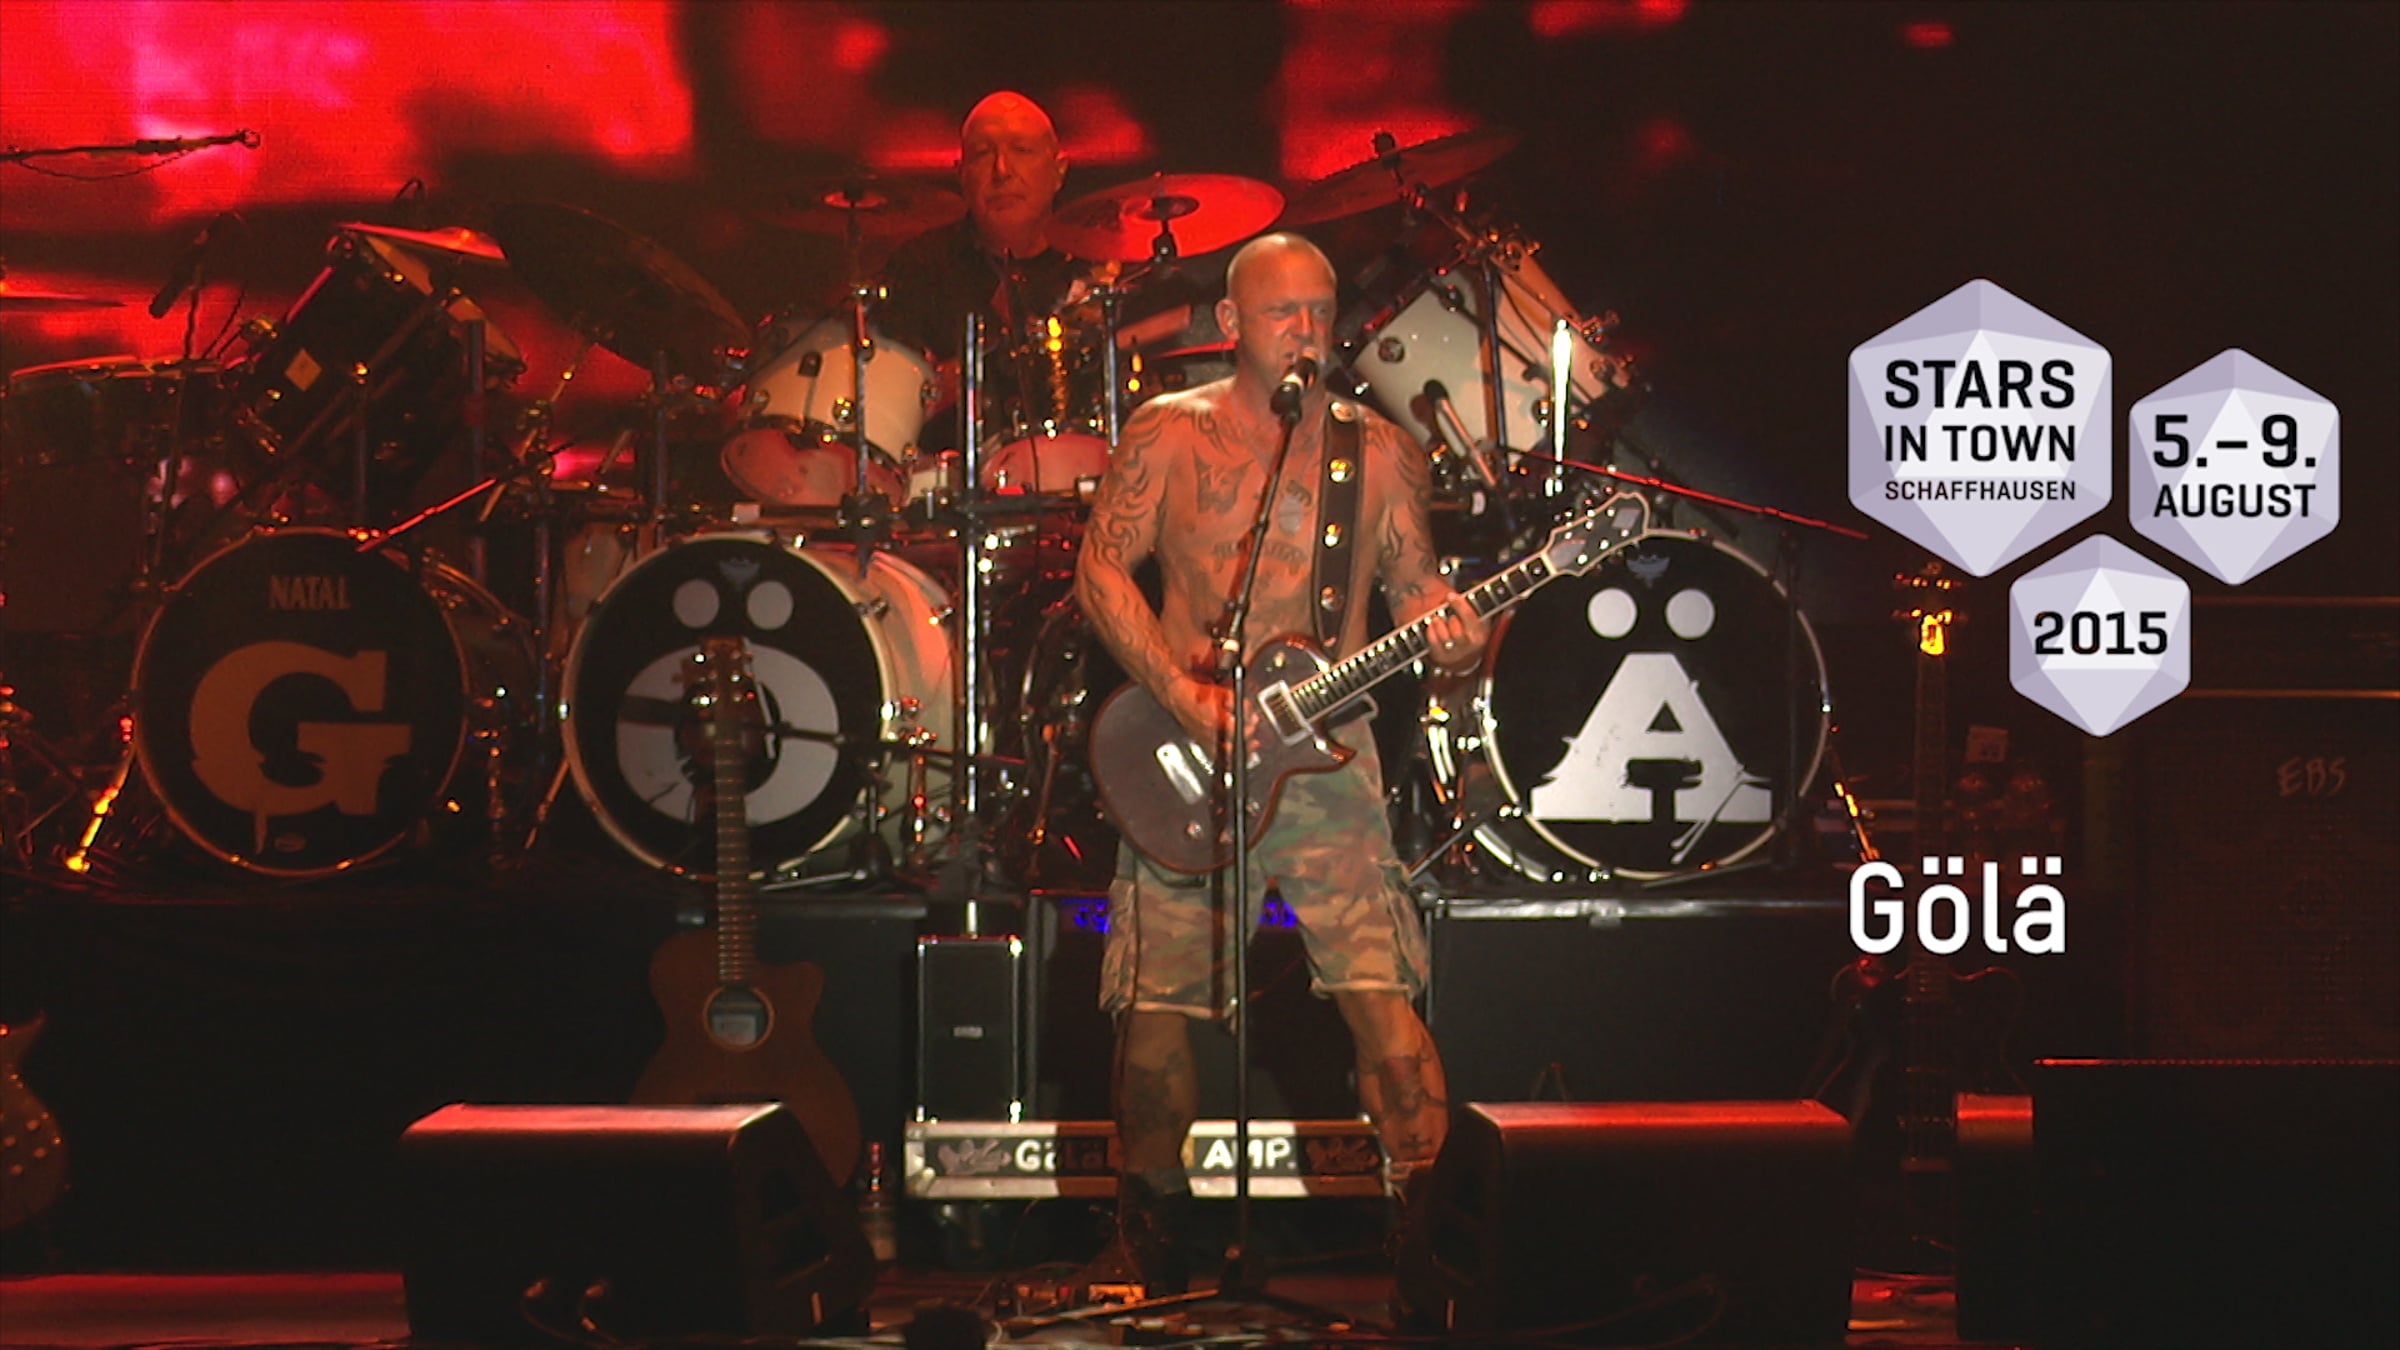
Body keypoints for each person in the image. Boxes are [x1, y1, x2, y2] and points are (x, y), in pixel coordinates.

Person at [1072, 232, 1490, 1293]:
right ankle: (1149, 1233)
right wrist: (1183, 694)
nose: (1305, 331)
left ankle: (1428, 1235)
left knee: (1380, 999)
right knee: (1154, 1014)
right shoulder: (1170, 432)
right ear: (1231, 324)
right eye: (1279, 312)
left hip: (1327, 762)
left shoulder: (1380, 452)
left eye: (1319, 311)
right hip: (1188, 752)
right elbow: (1101, 572)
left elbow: (1415, 590)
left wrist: (1454, 643)